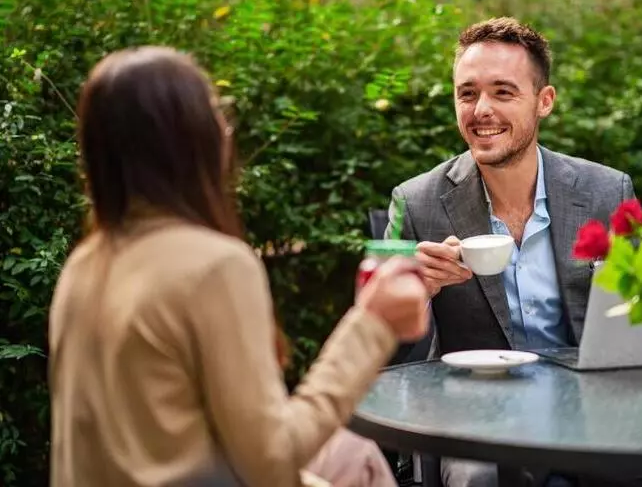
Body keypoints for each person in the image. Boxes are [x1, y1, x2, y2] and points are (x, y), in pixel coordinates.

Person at [48, 46, 429, 487]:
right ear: (193, 141)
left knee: (352, 451)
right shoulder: (214, 267)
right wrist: (373, 324)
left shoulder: (83, 264)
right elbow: (271, 461)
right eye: (215, 111)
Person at [384, 17, 635, 487]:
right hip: (477, 419)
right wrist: (414, 295)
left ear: (545, 101)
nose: (482, 110)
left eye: (503, 92)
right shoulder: (416, 202)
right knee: (482, 478)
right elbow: (384, 356)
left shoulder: (606, 192)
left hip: (594, 412)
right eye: (467, 94)